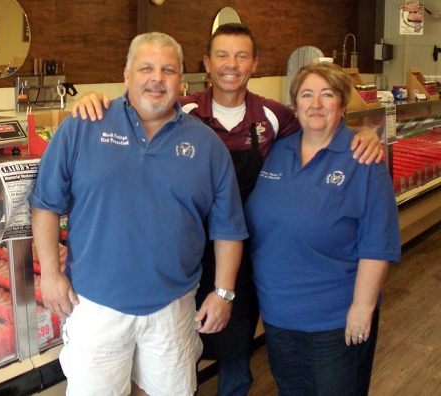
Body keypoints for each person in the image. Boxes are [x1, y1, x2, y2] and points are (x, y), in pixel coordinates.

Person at [71, 23, 383, 396]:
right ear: (206, 63)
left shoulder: (274, 115)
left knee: (235, 347)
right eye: (222, 55)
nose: (231, 64)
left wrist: (363, 134)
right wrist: (91, 100)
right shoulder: (181, 107)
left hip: (239, 248)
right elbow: (132, 113)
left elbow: (319, 124)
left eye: (241, 56)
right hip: (181, 253)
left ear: (254, 64)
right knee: (175, 354)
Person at [29, 32, 248, 396]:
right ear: (127, 74)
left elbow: (228, 228)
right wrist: (50, 274)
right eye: (146, 68)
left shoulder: (206, 144)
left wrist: (223, 293)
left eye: (168, 70)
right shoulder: (83, 125)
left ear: (182, 80)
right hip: (95, 304)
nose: (157, 78)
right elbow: (46, 204)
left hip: (173, 309)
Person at [244, 61, 401, 396]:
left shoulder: (363, 159)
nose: (315, 104)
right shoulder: (279, 149)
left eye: (327, 95)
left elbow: (378, 242)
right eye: (307, 94)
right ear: (295, 105)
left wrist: (362, 308)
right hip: (278, 314)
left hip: (335, 320)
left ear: (342, 105)